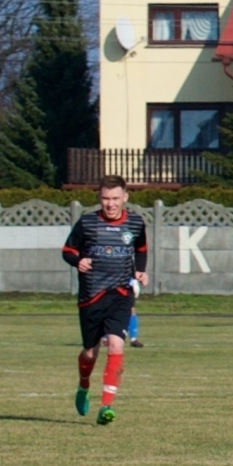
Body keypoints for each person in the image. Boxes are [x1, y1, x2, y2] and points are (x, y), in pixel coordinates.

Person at [62, 176, 149, 426]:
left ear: (125, 197)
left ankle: (106, 406)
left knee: (116, 346)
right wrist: (78, 261)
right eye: (105, 198)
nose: (110, 204)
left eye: (114, 198)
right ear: (100, 198)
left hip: (120, 294)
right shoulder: (88, 223)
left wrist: (140, 270)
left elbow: (141, 249)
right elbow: (68, 250)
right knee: (90, 354)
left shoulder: (135, 222)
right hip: (91, 296)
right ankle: (83, 385)